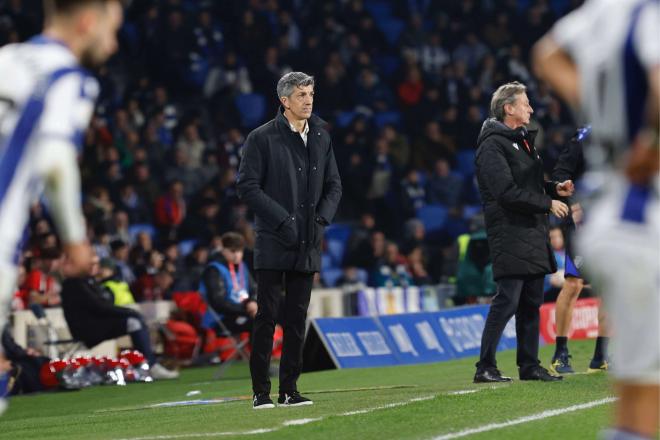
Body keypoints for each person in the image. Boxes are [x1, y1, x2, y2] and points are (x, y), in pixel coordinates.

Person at [533, 1, 659, 438]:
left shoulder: (601, 12)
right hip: (642, 216)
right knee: (647, 393)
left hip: (609, 216)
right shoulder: (649, 16)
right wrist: (648, 137)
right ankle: (565, 352)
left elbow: (545, 54)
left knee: (634, 384)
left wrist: (600, 107)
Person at [0, 0, 123, 412]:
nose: (113, 44)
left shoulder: (7, 58)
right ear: (87, 23)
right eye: (111, 32)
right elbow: (56, 162)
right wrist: (74, 240)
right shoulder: (69, 78)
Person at [237, 71, 342, 409]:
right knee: (267, 316)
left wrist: (321, 219)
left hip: (308, 241)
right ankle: (260, 392)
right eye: (301, 95)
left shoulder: (322, 136)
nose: (308, 100)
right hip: (274, 239)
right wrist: (282, 219)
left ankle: (289, 390)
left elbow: (334, 185)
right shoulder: (261, 138)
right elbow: (247, 186)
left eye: (311, 93)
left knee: (297, 318)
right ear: (284, 101)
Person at [472, 81, 574, 384]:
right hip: (510, 231)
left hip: (531, 231)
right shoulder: (492, 145)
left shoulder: (521, 140)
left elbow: (527, 185)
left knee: (531, 303)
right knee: (508, 300)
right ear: (509, 108)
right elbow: (505, 192)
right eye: (525, 103)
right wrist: (547, 203)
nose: (530, 108)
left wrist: (553, 188)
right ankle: (485, 366)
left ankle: (529, 365)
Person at [548, 127, 610, 375]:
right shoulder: (586, 137)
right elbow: (561, 173)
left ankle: (600, 356)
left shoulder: (631, 132)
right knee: (573, 284)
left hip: (613, 222)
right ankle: (560, 352)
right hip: (582, 222)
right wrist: (574, 204)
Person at [60, 255, 178, 380]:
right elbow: (100, 307)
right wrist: (129, 312)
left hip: (96, 323)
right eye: (91, 264)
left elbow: (103, 306)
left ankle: (146, 364)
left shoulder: (89, 281)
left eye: (96, 265)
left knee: (136, 321)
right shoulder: (75, 283)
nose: (95, 268)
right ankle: (150, 366)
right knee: (133, 321)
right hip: (87, 329)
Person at [199, 232, 258, 334]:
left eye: (240, 251)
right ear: (223, 250)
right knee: (259, 323)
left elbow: (254, 289)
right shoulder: (213, 270)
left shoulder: (242, 266)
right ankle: (258, 350)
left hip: (242, 312)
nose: (237, 255)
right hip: (221, 318)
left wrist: (252, 301)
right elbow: (218, 302)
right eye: (233, 251)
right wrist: (246, 309)